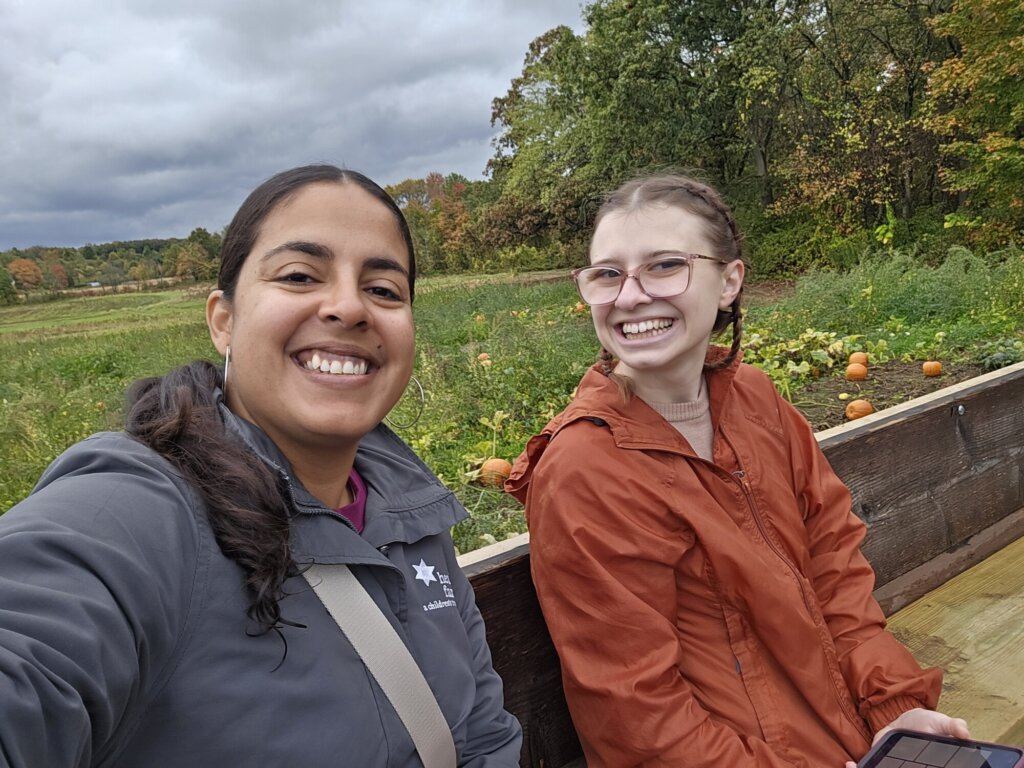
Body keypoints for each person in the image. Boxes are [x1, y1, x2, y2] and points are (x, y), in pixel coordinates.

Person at [0, 164, 522, 767]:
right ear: (224, 320)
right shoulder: (139, 512)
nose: (350, 307)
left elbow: (482, 729)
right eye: (300, 275)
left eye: (384, 289)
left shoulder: (410, 508)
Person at [506, 174, 968, 768]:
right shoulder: (587, 468)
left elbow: (833, 572)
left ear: (729, 281)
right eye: (607, 274)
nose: (629, 297)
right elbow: (637, 713)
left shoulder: (755, 401)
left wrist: (895, 711)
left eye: (665, 265)